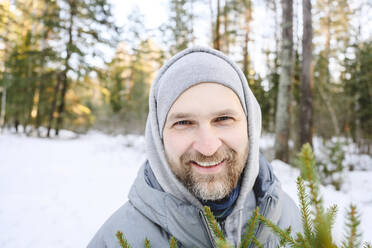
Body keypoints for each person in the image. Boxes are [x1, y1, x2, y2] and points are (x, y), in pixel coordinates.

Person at [88, 47, 301, 248]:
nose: (208, 147)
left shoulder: (291, 222)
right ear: (158, 138)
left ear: (250, 127)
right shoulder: (118, 240)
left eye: (224, 118)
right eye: (183, 123)